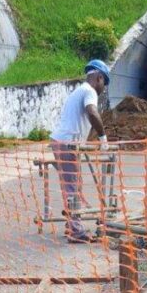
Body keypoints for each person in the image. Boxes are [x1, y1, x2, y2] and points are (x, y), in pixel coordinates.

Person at [50, 59, 111, 243]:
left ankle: (72, 225)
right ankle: (75, 232)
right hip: (67, 143)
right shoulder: (89, 91)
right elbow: (92, 113)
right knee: (72, 187)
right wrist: (103, 138)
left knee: (73, 185)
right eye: (104, 84)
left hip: (64, 141)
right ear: (99, 78)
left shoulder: (79, 90)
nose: (103, 89)